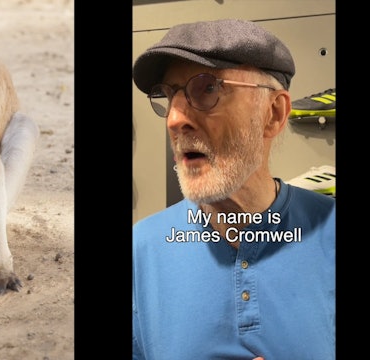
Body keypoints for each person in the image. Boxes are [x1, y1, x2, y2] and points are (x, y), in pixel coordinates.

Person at [131, 19, 335, 359]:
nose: (174, 119)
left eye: (208, 88)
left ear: (273, 113)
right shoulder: (142, 249)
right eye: (168, 96)